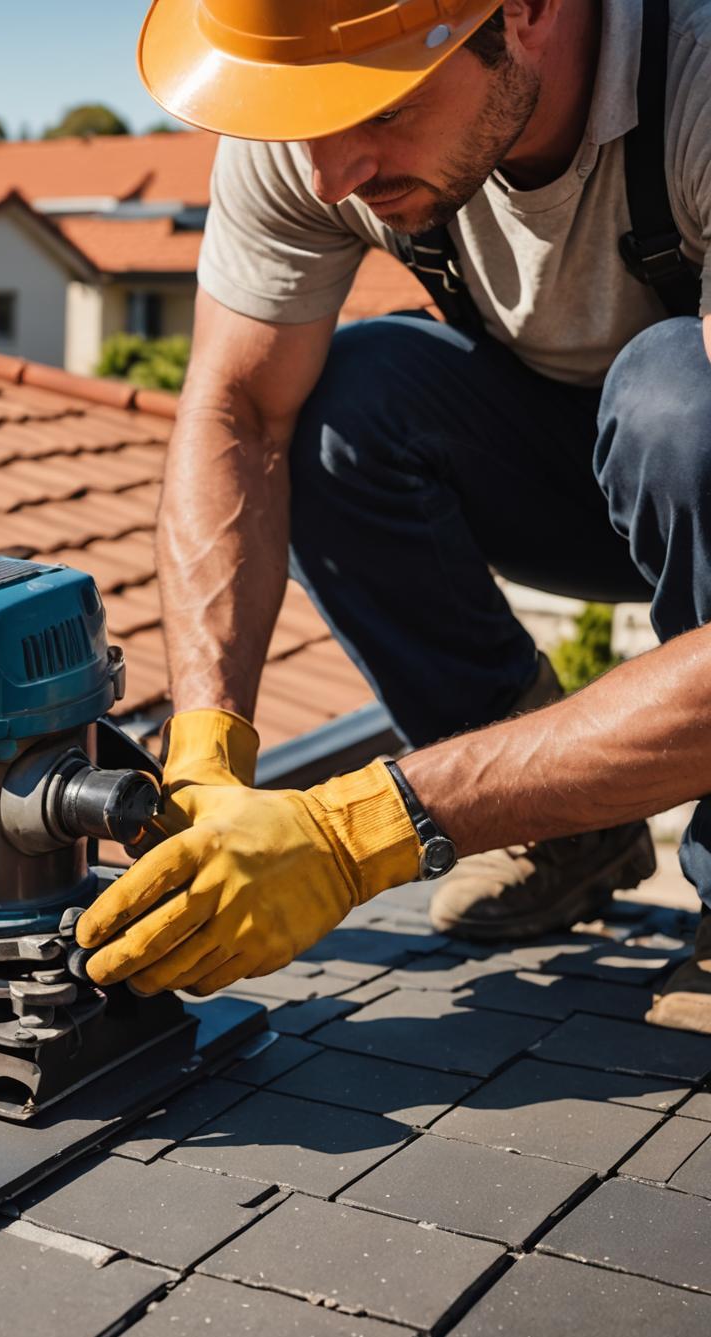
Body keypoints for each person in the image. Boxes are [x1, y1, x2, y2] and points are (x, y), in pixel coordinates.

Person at [76, 0, 711, 1026]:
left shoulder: (696, 76)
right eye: (306, 120)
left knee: (678, 402)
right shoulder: (317, 123)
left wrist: (361, 830)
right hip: (572, 473)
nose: (332, 174)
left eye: (381, 109)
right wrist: (206, 743)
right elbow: (237, 414)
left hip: (690, 448)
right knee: (339, 407)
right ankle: (569, 831)